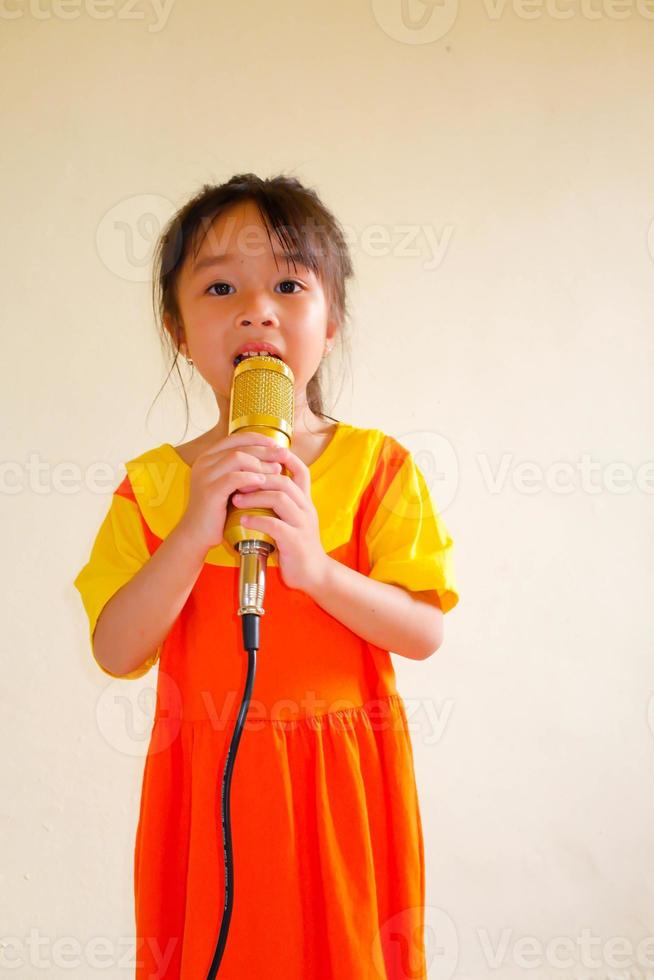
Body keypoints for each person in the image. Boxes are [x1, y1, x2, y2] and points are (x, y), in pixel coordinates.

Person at [73, 173, 460, 979]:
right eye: (220, 287)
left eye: (290, 283)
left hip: (341, 783)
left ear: (332, 318)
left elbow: (423, 631)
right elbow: (116, 648)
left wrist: (316, 569)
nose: (257, 308)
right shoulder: (154, 484)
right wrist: (190, 530)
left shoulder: (376, 467)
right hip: (211, 776)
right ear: (180, 331)